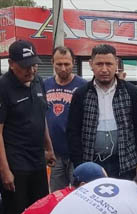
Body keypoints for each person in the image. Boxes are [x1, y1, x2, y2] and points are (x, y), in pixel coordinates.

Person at [0, 40, 56, 214]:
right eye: (25, 66)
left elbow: (41, 117)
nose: (31, 71)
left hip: (37, 161)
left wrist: (49, 148)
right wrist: (4, 170)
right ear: (11, 63)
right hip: (15, 164)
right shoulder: (0, 87)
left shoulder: (38, 82)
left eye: (34, 65)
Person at [67, 44, 137, 181]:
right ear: (91, 64)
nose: (104, 69)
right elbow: (73, 131)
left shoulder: (131, 92)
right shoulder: (81, 94)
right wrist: (79, 165)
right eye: (99, 64)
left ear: (116, 64)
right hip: (91, 165)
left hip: (125, 164)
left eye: (109, 64)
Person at [44, 46, 86, 191]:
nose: (63, 68)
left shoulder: (83, 86)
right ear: (52, 63)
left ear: (73, 63)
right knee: (56, 195)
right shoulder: (45, 85)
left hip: (76, 152)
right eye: (59, 64)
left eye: (67, 64)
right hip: (54, 153)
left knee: (79, 192)